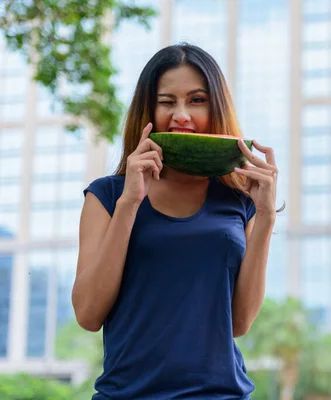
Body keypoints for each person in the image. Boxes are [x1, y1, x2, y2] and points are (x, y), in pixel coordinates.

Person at [71, 43, 281, 399]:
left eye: (197, 100)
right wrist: (130, 203)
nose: (181, 114)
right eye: (167, 102)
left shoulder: (238, 201)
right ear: (148, 110)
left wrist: (264, 217)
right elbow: (89, 314)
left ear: (216, 108)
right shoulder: (107, 196)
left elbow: (240, 322)